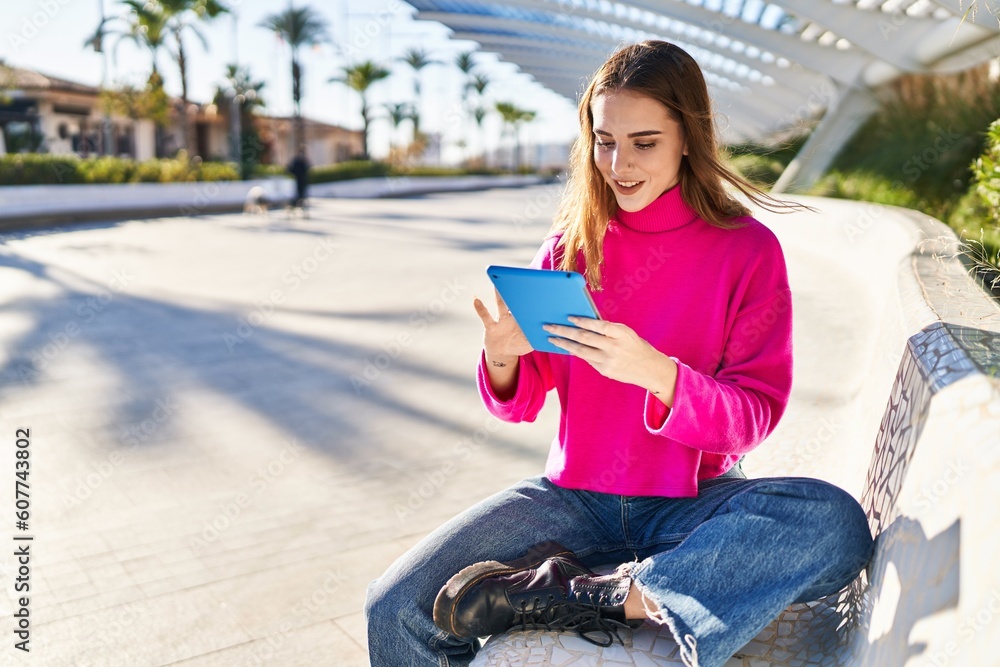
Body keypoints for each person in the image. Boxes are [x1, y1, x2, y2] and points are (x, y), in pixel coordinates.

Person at [365, 40, 873, 667]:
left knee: (832, 522)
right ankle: (610, 590)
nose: (619, 163)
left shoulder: (747, 250)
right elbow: (520, 405)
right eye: (605, 140)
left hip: (695, 506)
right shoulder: (568, 247)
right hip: (572, 501)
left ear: (689, 137)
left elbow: (756, 415)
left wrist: (659, 377)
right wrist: (502, 358)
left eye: (644, 142)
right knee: (392, 607)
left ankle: (600, 597)